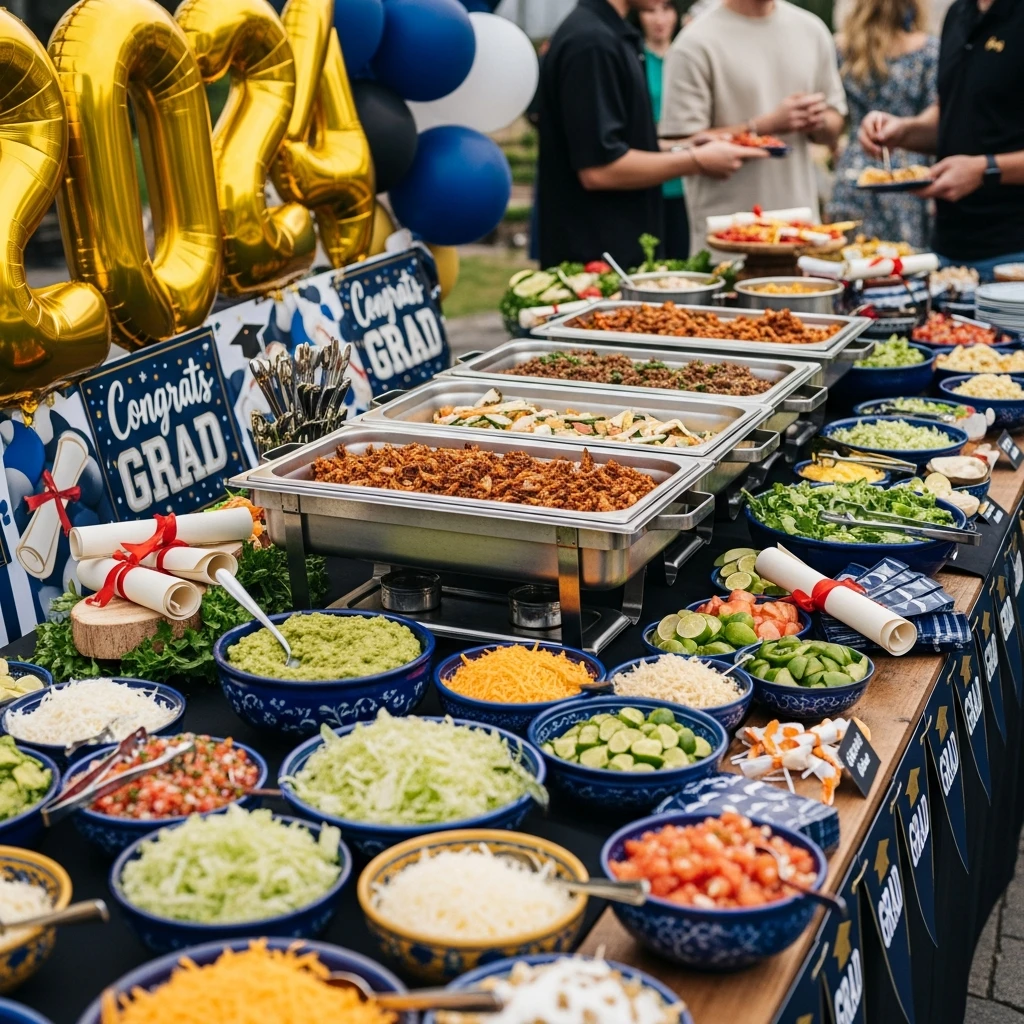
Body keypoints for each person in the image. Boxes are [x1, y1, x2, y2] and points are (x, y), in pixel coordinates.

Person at [536, 0, 766, 267]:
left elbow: (612, 144)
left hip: (612, 256)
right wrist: (697, 160)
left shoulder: (606, 33)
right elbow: (599, 169)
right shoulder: (592, 43)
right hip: (596, 265)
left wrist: (687, 145)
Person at [659, 0, 848, 254]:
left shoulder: (812, 30)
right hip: (727, 246)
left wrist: (817, 120)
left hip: (803, 241)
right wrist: (766, 125)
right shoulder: (694, 43)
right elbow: (679, 145)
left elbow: (835, 122)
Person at [859, 0, 1024, 278]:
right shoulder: (958, 13)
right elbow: (952, 112)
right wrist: (902, 131)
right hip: (946, 251)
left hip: (1012, 257)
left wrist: (984, 170)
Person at [828, 0, 938, 248]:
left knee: (852, 259)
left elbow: (833, 115)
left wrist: (836, 150)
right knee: (905, 262)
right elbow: (938, 117)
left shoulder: (842, 48)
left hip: (855, 173)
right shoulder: (928, 50)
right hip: (907, 177)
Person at [634, 1, 691, 258]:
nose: (659, 19)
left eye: (666, 9)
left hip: (687, 178)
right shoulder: (635, 58)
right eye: (650, 11)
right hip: (647, 174)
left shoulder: (689, 58)